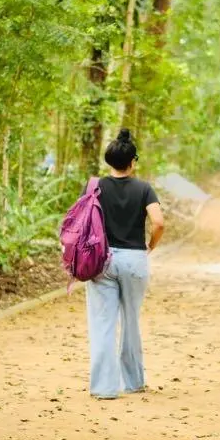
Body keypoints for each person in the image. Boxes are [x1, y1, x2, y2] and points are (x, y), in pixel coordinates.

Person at [87, 129, 165, 399]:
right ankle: (133, 382)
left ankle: (103, 388)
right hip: (134, 260)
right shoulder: (144, 188)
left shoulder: (96, 186)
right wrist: (151, 245)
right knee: (131, 321)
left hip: (102, 259)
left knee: (103, 323)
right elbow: (158, 222)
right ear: (132, 161)